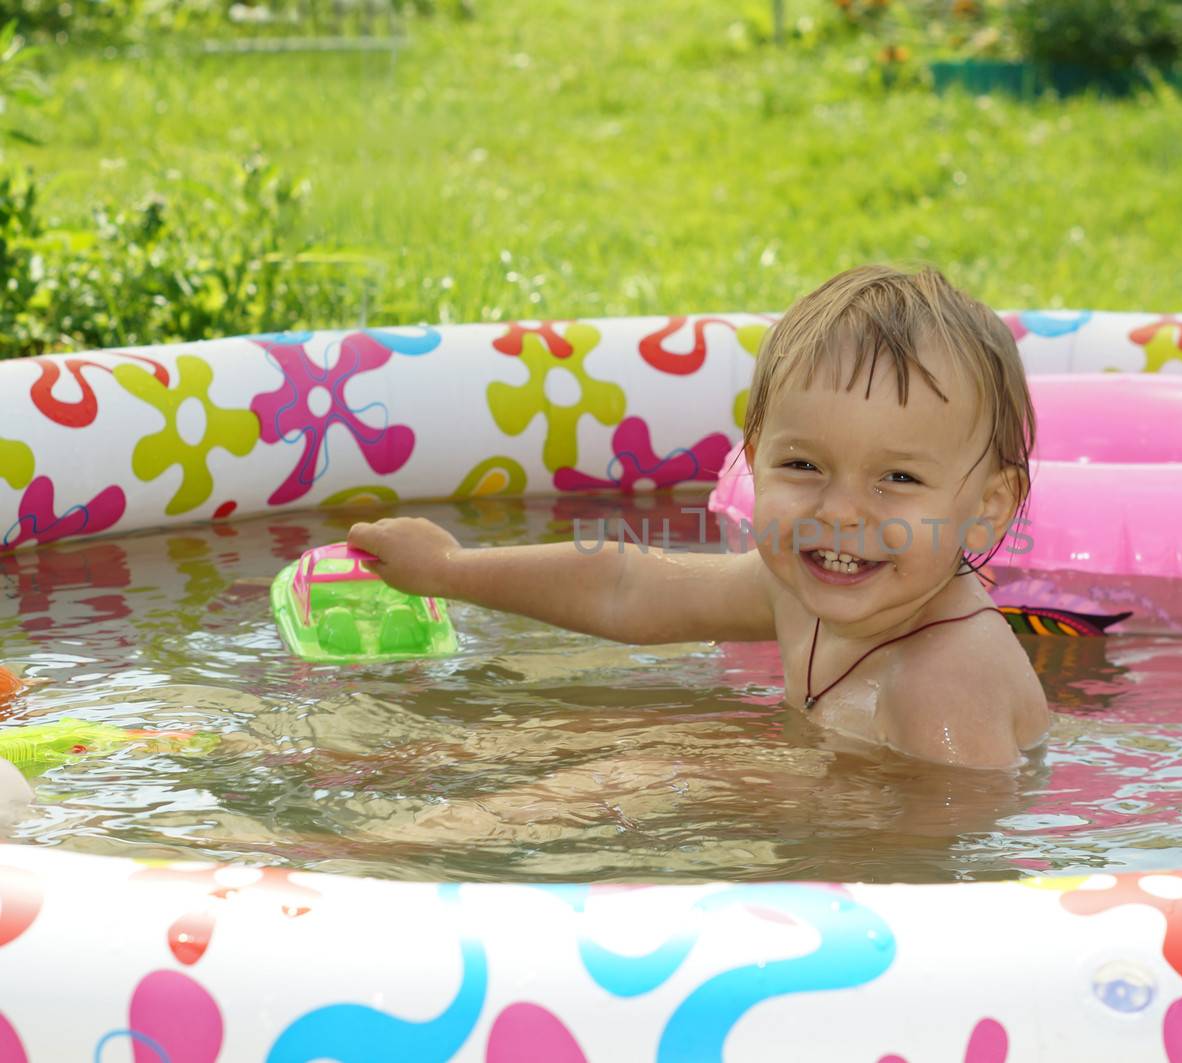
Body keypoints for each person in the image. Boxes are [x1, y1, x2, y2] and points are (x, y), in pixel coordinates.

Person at [349, 265, 1049, 770]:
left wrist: (730, 777)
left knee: (640, 773)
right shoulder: (802, 591)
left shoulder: (946, 683)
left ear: (986, 510)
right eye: (803, 466)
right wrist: (448, 569)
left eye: (898, 478)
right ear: (752, 459)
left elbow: (942, 872)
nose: (838, 512)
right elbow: (628, 588)